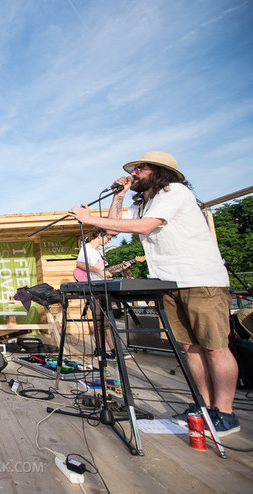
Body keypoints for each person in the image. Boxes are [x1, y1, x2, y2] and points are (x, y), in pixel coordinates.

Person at [67, 151, 239, 436]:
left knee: (214, 347)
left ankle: (226, 412)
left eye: (140, 168)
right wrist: (119, 196)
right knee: (189, 348)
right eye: (134, 168)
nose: (134, 172)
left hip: (200, 279)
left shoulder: (174, 192)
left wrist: (87, 217)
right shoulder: (142, 202)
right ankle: (204, 406)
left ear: (159, 172)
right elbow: (114, 225)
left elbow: (145, 227)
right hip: (169, 282)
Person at [75, 227, 131, 360]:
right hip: (93, 287)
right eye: (108, 238)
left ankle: (102, 350)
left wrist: (119, 269)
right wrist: (99, 272)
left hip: (101, 286)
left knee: (103, 320)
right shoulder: (87, 248)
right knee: (102, 321)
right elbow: (80, 264)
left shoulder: (98, 252)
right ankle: (111, 351)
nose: (109, 241)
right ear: (100, 235)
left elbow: (103, 271)